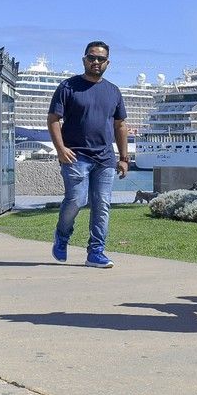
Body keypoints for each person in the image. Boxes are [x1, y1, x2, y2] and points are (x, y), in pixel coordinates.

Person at [47, 41, 128, 268]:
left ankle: (96, 251)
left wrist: (123, 157)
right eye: (91, 57)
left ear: (107, 63)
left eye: (100, 59)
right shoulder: (68, 87)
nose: (96, 62)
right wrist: (60, 149)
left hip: (104, 158)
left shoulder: (113, 91)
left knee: (102, 204)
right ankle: (62, 236)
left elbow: (120, 125)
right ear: (84, 59)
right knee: (76, 200)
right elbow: (53, 119)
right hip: (75, 155)